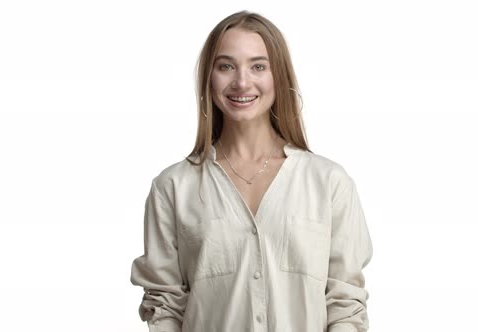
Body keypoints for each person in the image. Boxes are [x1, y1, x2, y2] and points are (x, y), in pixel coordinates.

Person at [130, 10, 373, 332]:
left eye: (258, 66)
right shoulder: (173, 187)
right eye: (226, 66)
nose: (241, 81)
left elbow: (345, 303)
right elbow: (164, 306)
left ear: (279, 76)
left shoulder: (328, 183)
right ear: (209, 77)